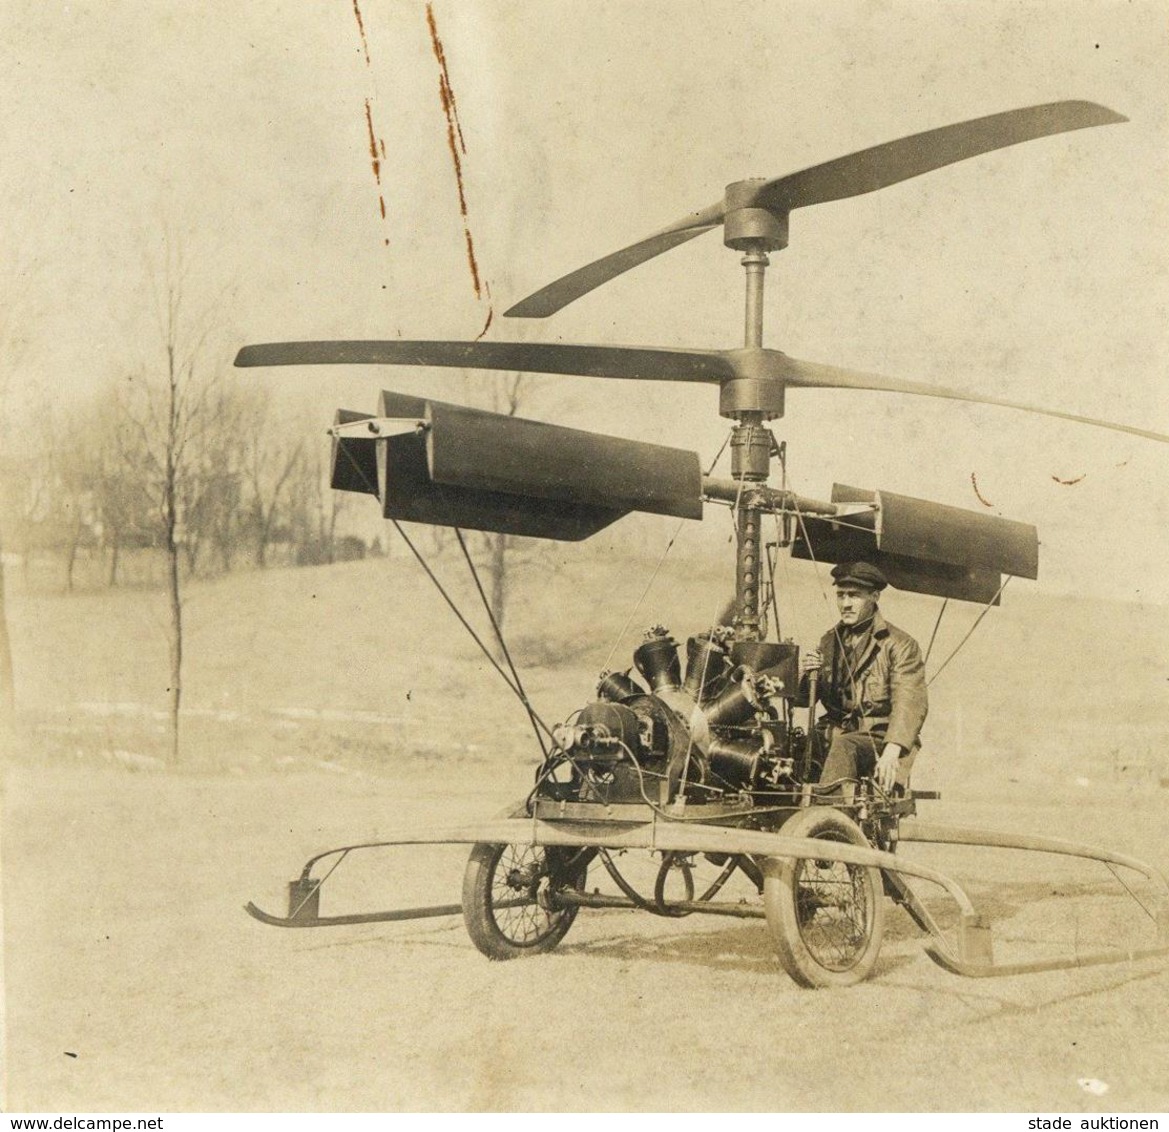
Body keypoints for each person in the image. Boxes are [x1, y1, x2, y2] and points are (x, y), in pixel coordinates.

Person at [800, 561, 927, 795]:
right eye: (841, 595)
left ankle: (828, 814)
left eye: (854, 596)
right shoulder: (829, 642)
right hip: (836, 732)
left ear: (875, 596)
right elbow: (801, 700)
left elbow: (909, 702)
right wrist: (808, 674)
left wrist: (892, 749)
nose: (845, 604)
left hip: (879, 738)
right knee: (790, 745)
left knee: (844, 744)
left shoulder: (900, 645)